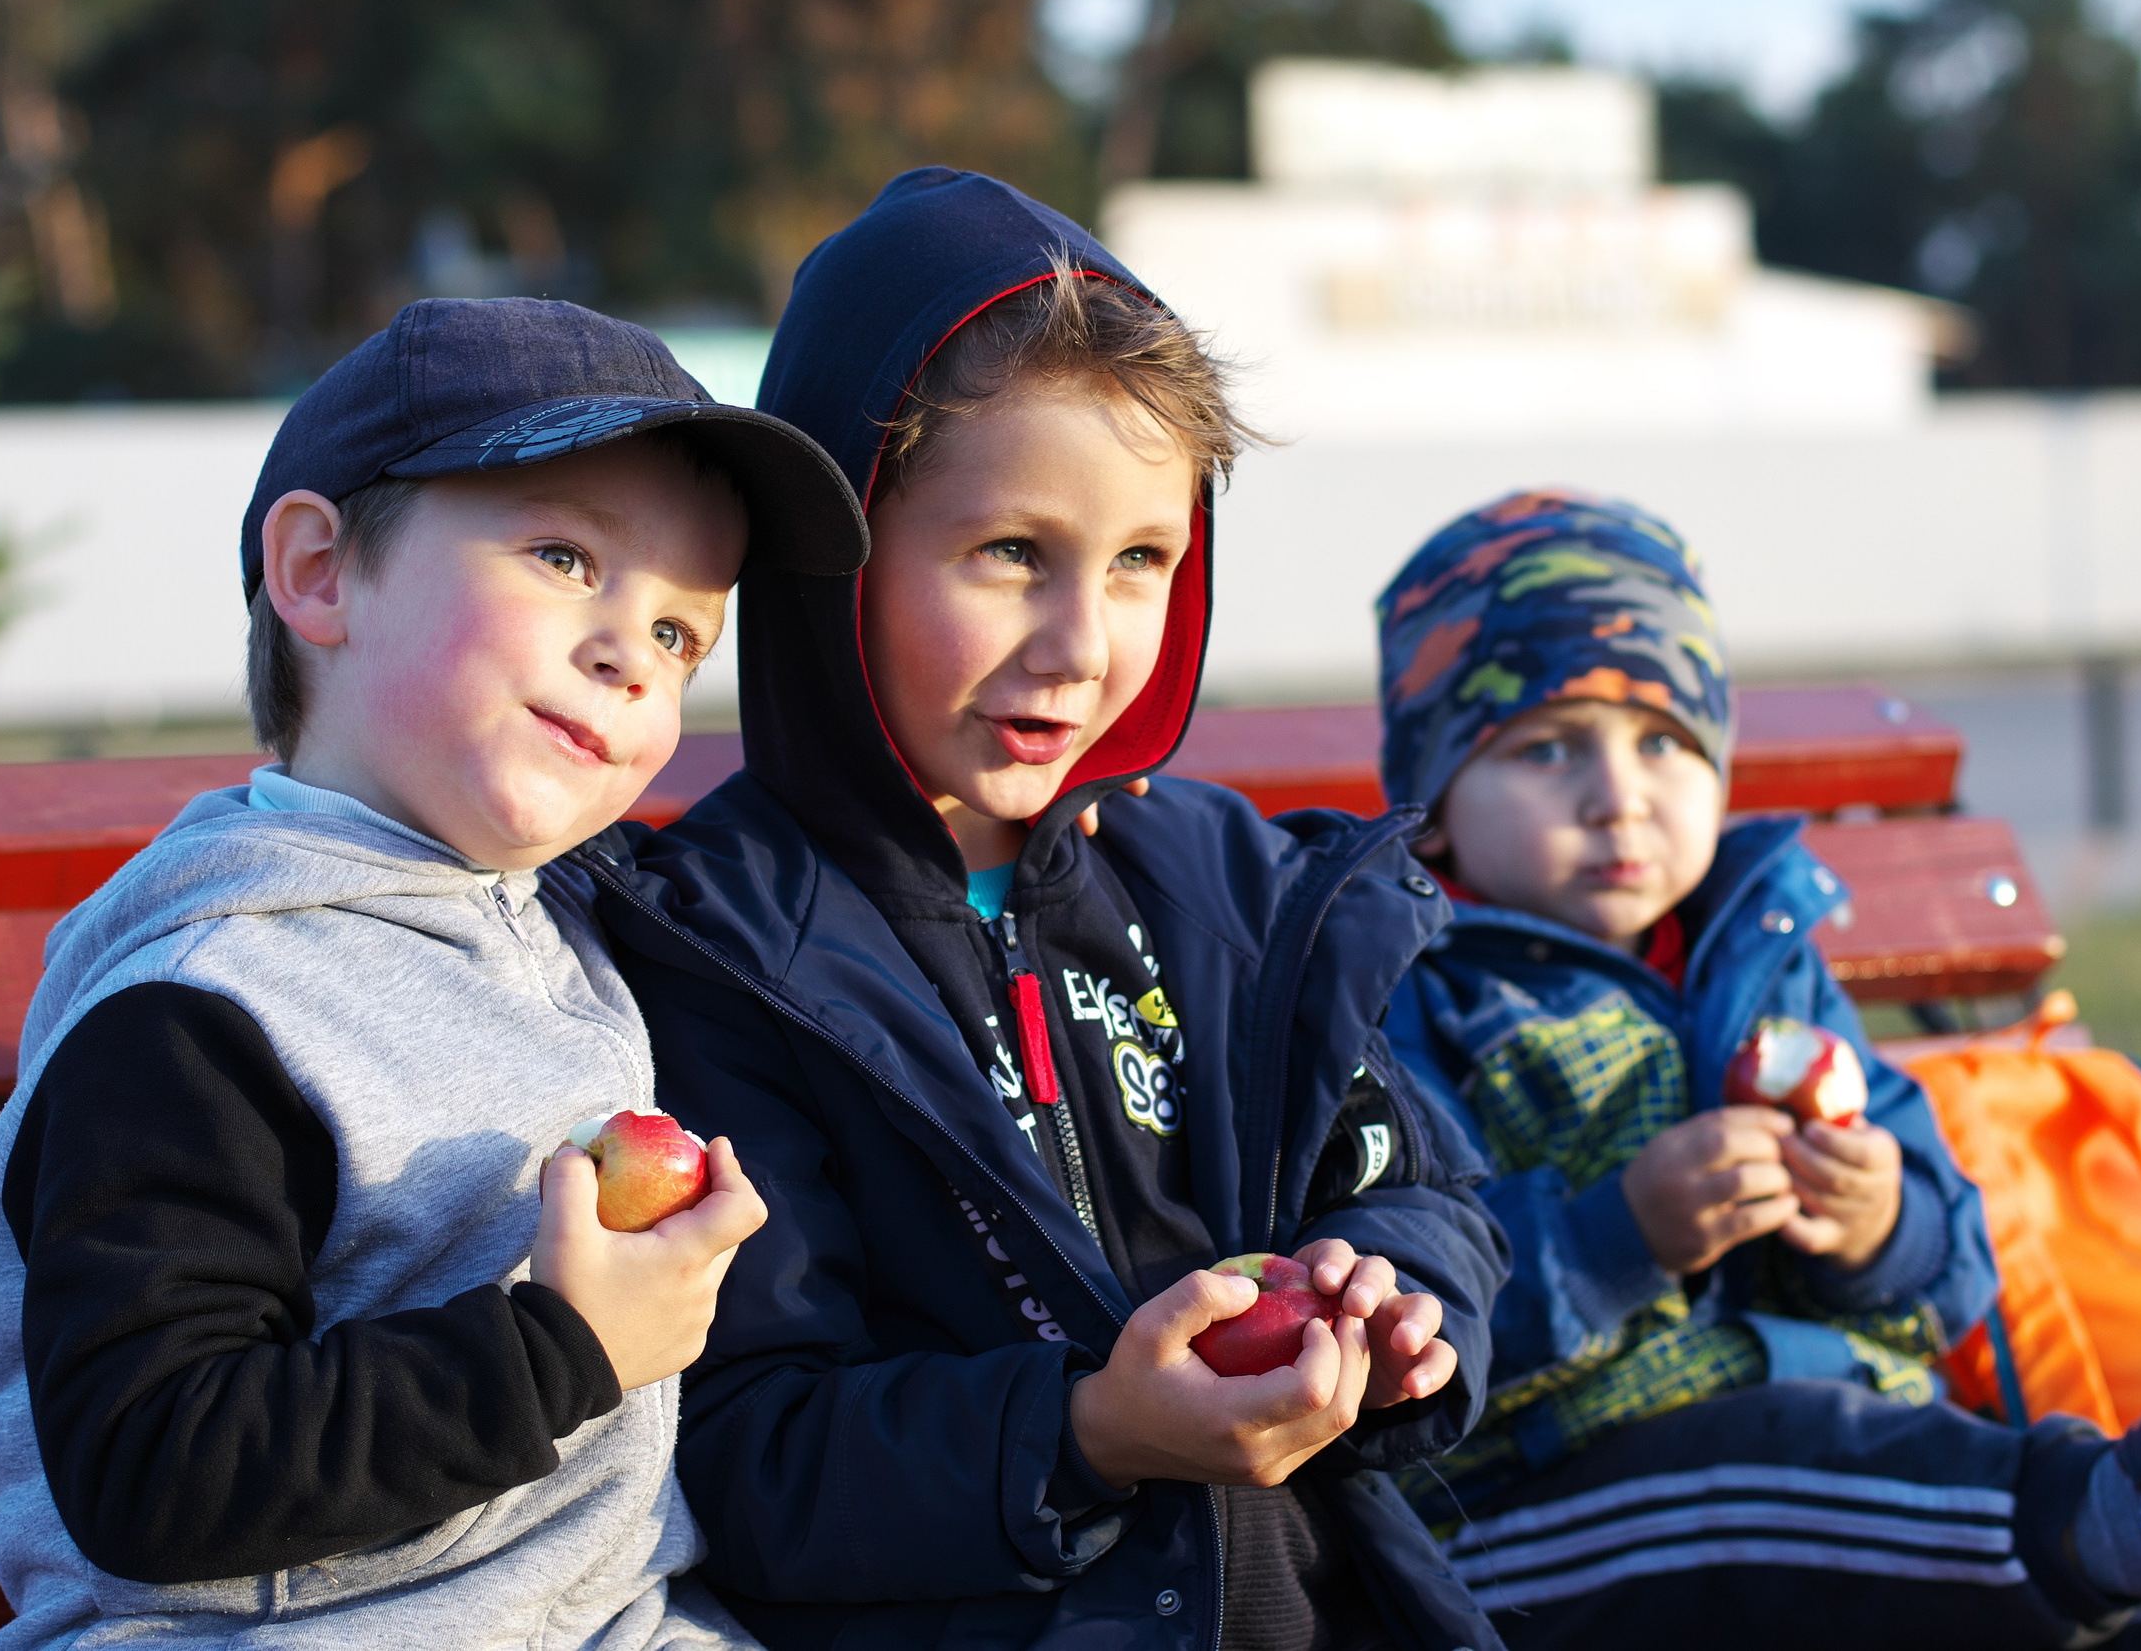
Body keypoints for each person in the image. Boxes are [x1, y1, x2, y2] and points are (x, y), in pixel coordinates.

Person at [572, 168, 1512, 1651]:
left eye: (1141, 560)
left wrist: (1395, 1309)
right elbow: (749, 1456)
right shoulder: (722, 949)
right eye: (1013, 553)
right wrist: (1091, 1430)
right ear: (835, 558)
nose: (1083, 644)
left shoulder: (1222, 889)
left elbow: (1430, 1195)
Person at [0, 297, 870, 1649]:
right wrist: (563, 1348)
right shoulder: (204, 1010)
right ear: (323, 571)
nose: (633, 651)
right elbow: (154, 1466)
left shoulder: (562, 926)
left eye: (684, 634)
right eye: (566, 556)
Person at [1373, 489, 2141, 1649]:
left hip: (1853, 1461)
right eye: (1545, 747)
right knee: (1784, 1476)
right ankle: (2138, 1520)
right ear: (1432, 813)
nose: (1618, 796)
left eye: (1664, 742)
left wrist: (1875, 1225)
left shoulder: (1767, 955)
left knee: (2089, 1609)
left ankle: (2139, 1547)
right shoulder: (1407, 993)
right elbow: (1389, 1317)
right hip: (1533, 1518)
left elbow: (1956, 1268)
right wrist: (1623, 1238)